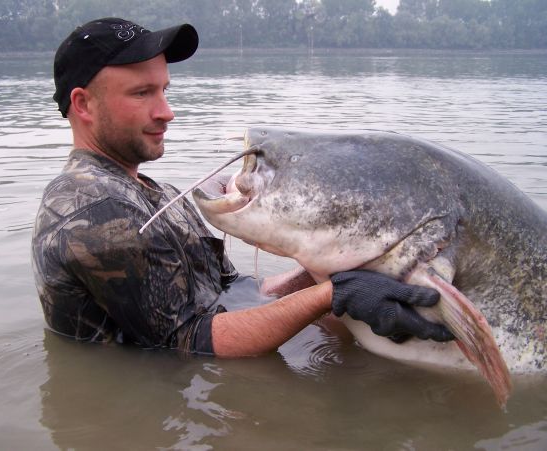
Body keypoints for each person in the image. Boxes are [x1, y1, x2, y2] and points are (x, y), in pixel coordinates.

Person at [32, 17, 453, 357]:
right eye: (142, 93)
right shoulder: (92, 207)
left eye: (164, 90)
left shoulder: (152, 193)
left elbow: (233, 296)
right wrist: (334, 295)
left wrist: (325, 271)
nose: (167, 112)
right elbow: (193, 341)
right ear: (83, 104)